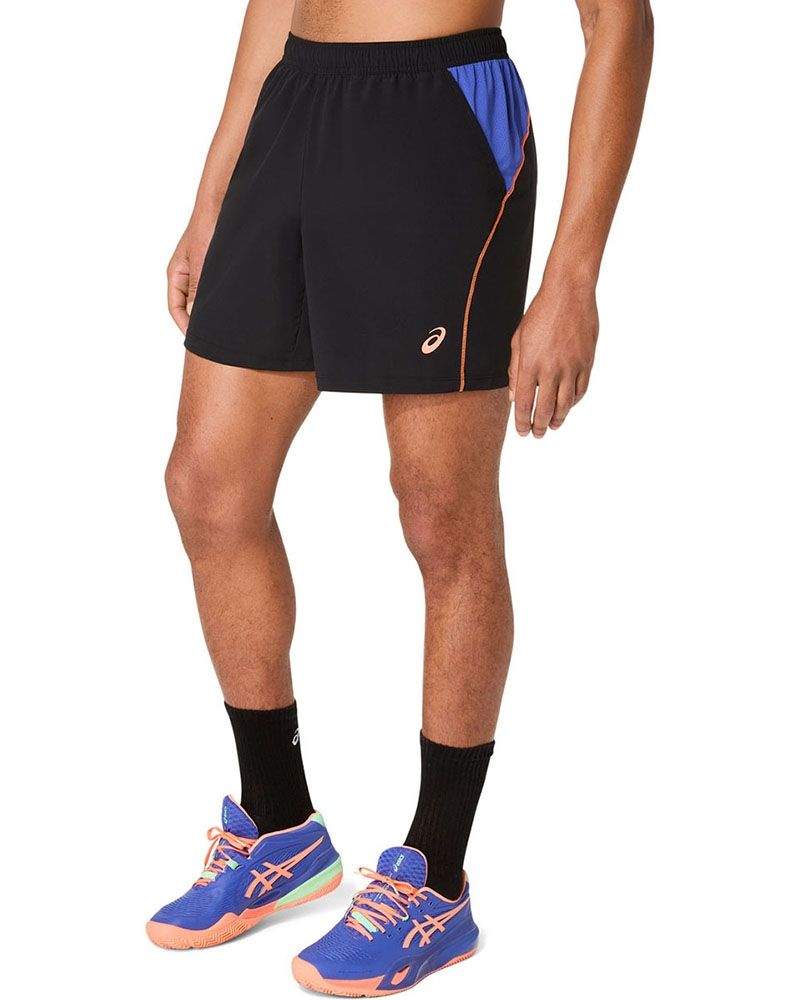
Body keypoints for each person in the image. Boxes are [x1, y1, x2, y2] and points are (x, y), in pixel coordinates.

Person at [147, 0, 654, 992]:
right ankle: (278, 823)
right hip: (294, 107)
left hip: (439, 115)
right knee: (207, 486)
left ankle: (435, 877)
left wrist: (573, 274)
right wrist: (213, 197)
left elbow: (618, 23)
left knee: (440, 515)